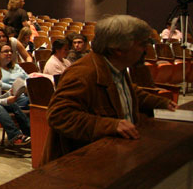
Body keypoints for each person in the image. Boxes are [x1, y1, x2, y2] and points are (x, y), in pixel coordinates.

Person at [43, 15, 175, 164]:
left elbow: (127, 91)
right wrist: (111, 125)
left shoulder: (116, 67)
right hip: (81, 165)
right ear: (118, 48)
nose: (146, 49)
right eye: (141, 44)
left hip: (111, 157)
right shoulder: (82, 74)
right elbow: (59, 116)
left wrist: (162, 103)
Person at [0, 42, 30, 109]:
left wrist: (27, 88)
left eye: (11, 51)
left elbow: (28, 79)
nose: (10, 53)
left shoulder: (16, 66)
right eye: (6, 51)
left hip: (27, 93)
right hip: (12, 98)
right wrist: (17, 89)